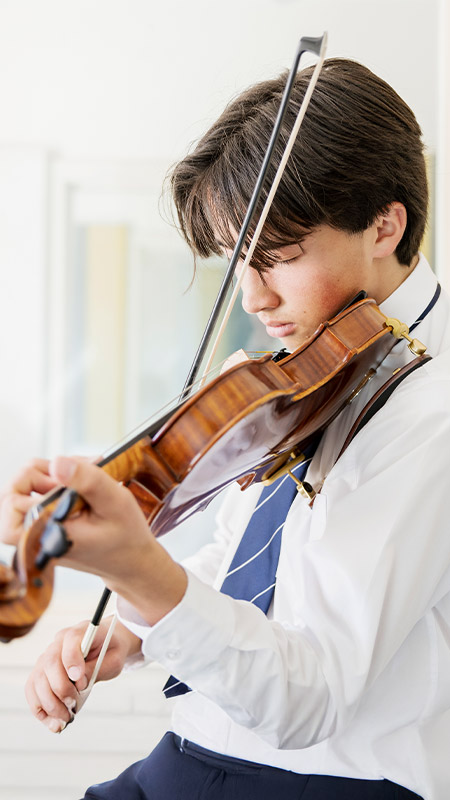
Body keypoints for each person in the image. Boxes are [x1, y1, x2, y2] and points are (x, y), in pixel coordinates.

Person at [1, 57, 449, 800]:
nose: (253, 295)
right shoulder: (309, 368)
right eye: (239, 257)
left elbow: (314, 696)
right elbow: (244, 557)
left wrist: (144, 576)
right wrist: (136, 631)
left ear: (384, 225)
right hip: (189, 754)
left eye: (279, 257)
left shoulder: (430, 416)